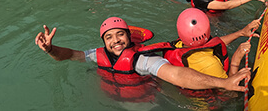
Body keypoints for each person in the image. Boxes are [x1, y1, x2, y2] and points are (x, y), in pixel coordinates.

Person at [35, 17, 251, 102]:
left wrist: (224, 83)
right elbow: (71, 55)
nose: (116, 40)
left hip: (146, 105)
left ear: (129, 37)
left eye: (120, 34)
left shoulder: (142, 61)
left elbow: (176, 74)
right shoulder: (97, 54)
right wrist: (50, 49)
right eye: (109, 37)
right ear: (104, 41)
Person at [160, 8, 259, 79]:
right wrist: (236, 59)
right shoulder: (209, 63)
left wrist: (241, 33)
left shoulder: (179, 44)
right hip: (208, 103)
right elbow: (229, 91)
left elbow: (213, 44)